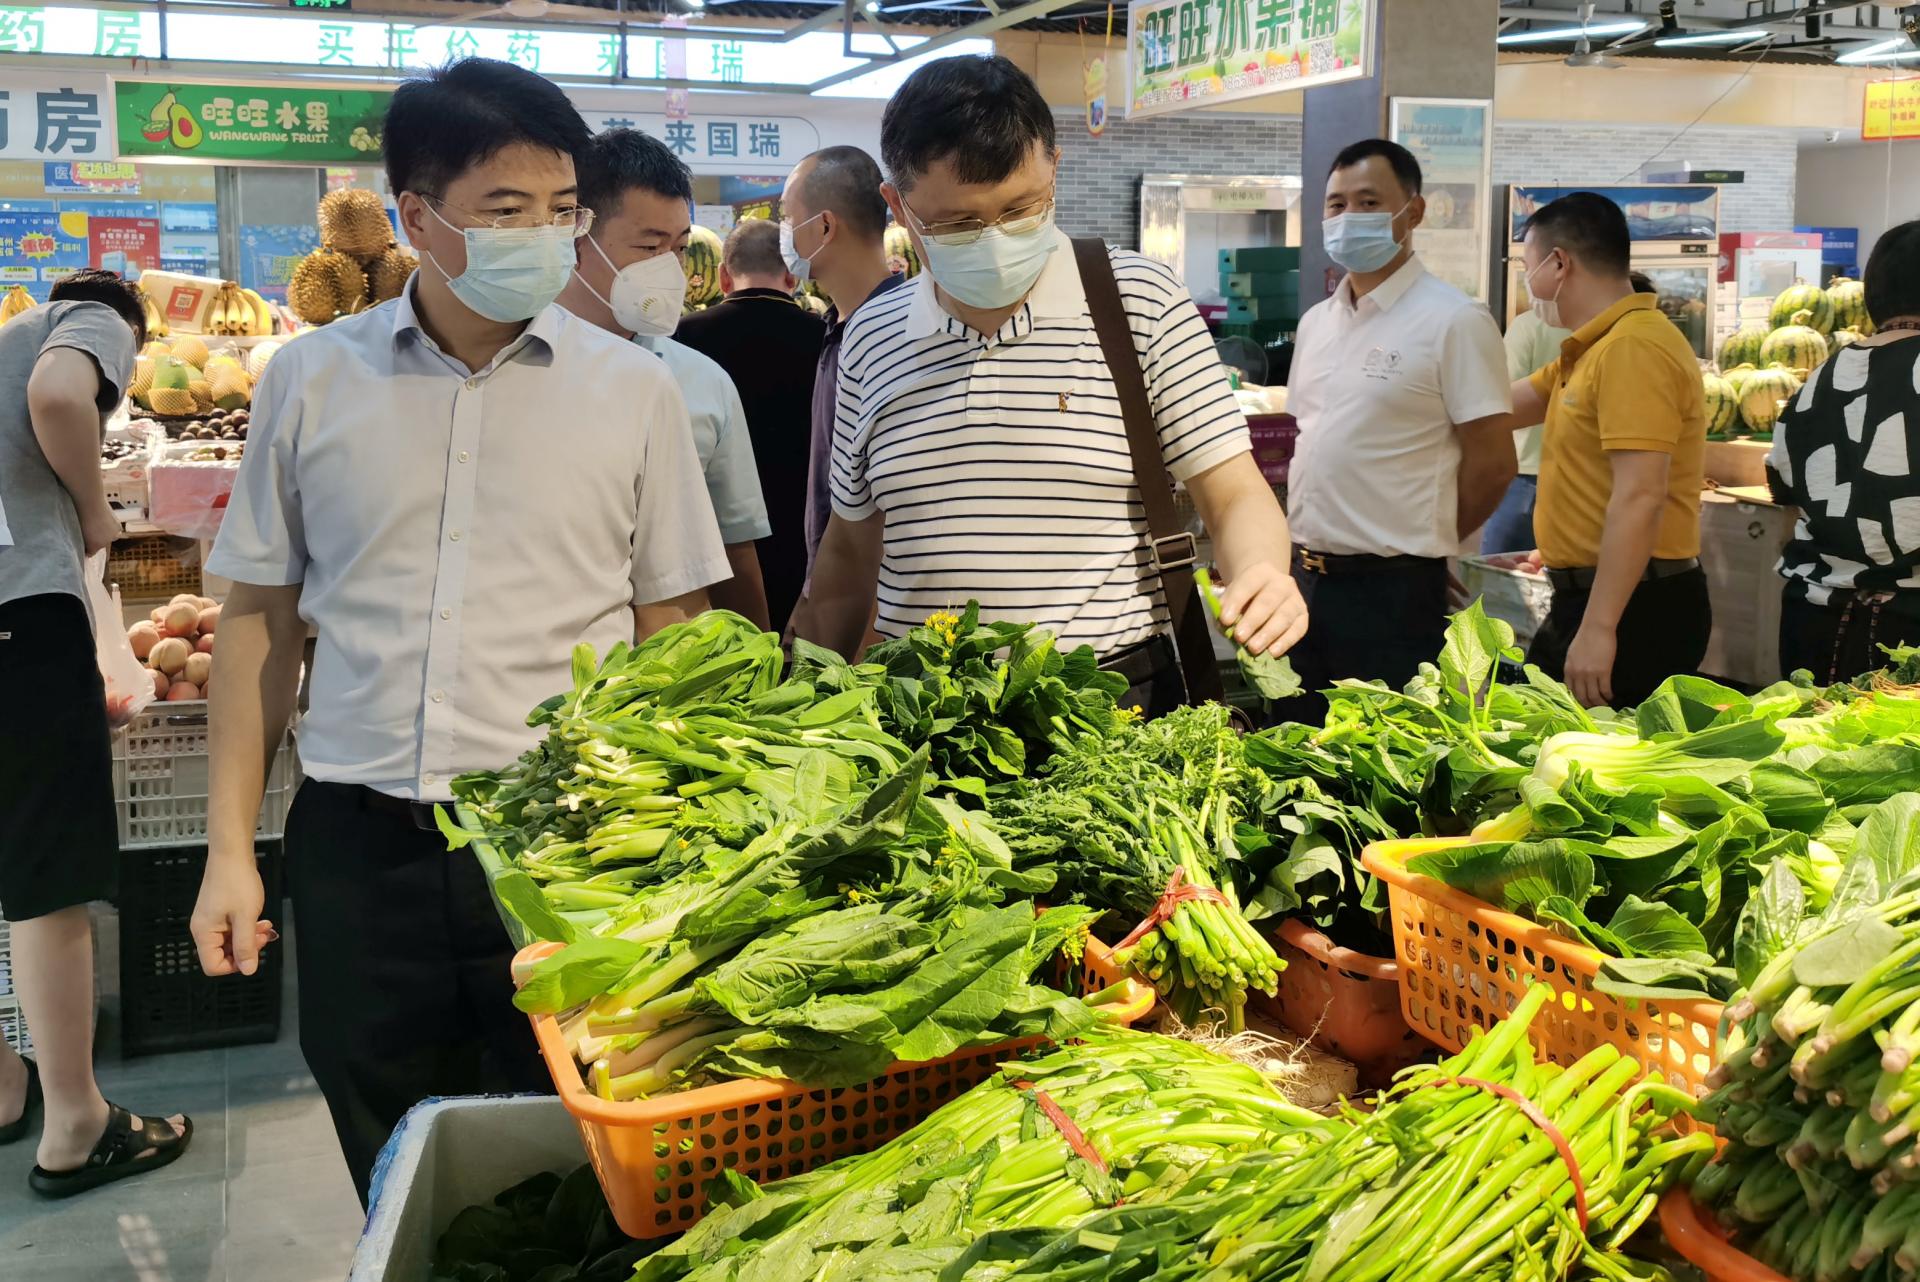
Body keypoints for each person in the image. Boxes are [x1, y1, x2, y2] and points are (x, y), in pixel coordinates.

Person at [188, 58, 730, 1204]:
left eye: (561, 209)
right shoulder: (311, 381)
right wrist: (230, 849)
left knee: (581, 1157)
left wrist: (685, 846)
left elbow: (674, 626)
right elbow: (259, 621)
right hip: (360, 847)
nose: (543, 236)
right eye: (505, 209)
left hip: (568, 847)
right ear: (416, 218)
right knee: (391, 1147)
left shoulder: (636, 392)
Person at [794, 54, 1304, 712]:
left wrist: (1262, 569)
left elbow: (1233, 494)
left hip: (1110, 707)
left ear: (1053, 168)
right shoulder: (871, 336)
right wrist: (799, 695)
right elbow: (849, 547)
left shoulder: (1140, 302)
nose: (995, 240)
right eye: (957, 224)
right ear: (898, 205)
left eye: (1021, 209)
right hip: (923, 713)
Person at [0, 269, 193, 1199]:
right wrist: (90, 508)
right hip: (19, 619)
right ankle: (76, 1122)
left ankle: (4, 1083)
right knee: (48, 877)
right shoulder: (91, 315)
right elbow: (57, 396)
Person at [1283, 139, 1514, 717]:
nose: (1348, 217)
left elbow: (1494, 462)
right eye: (1336, 205)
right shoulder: (1315, 323)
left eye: (1368, 202)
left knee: (1385, 749)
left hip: (1392, 593)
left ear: (1413, 212)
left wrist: (1427, 544)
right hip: (1303, 581)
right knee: (1291, 743)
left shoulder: (1454, 320)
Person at [558, 127, 771, 628]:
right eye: (649, 246)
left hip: (671, 656)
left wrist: (760, 649)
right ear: (575, 238)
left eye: (679, 247)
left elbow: (733, 549)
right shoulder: (518, 367)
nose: (669, 268)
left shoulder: (704, 382)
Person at [1506, 191, 1710, 708]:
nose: (1528, 284)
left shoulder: (1632, 348)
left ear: (1559, 263)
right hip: (1596, 596)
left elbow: (1641, 495)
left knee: (1593, 751)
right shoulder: (1592, 347)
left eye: (1528, 268)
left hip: (1633, 607)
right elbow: (1498, 409)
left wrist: (1599, 627)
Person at [1768, 219, 1920, 683]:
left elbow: (1787, 508)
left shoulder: (1818, 381)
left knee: (1820, 731)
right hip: (1911, 631)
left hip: (1815, 621)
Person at [676, 219, 825, 633]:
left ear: (723, 276)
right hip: (807, 541)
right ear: (792, 276)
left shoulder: (683, 338)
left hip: (716, 546)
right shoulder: (826, 338)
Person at [778, 146, 903, 583]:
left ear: (825, 226)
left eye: (787, 217)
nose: (784, 232)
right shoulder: (835, 327)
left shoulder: (896, 337)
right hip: (833, 593)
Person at [1484, 270, 1656, 555]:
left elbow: (1497, 401)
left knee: (1502, 570)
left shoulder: (1532, 327)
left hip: (1527, 475)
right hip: (1591, 482)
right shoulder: (1612, 343)